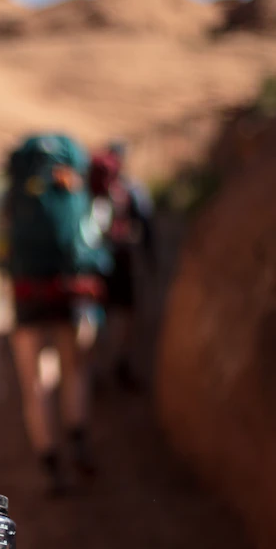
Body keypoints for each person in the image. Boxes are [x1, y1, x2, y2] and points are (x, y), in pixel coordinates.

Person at [0, 134, 109, 495]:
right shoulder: (74, 191)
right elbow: (92, 241)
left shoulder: (9, 198)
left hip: (27, 297)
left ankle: (51, 464)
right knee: (74, 371)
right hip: (71, 295)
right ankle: (78, 439)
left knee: (36, 385)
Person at [89, 141, 158, 388]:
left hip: (96, 263)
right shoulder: (132, 189)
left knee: (100, 318)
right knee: (125, 317)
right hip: (123, 261)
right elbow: (146, 226)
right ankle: (119, 365)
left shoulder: (94, 190)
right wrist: (151, 259)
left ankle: (99, 370)